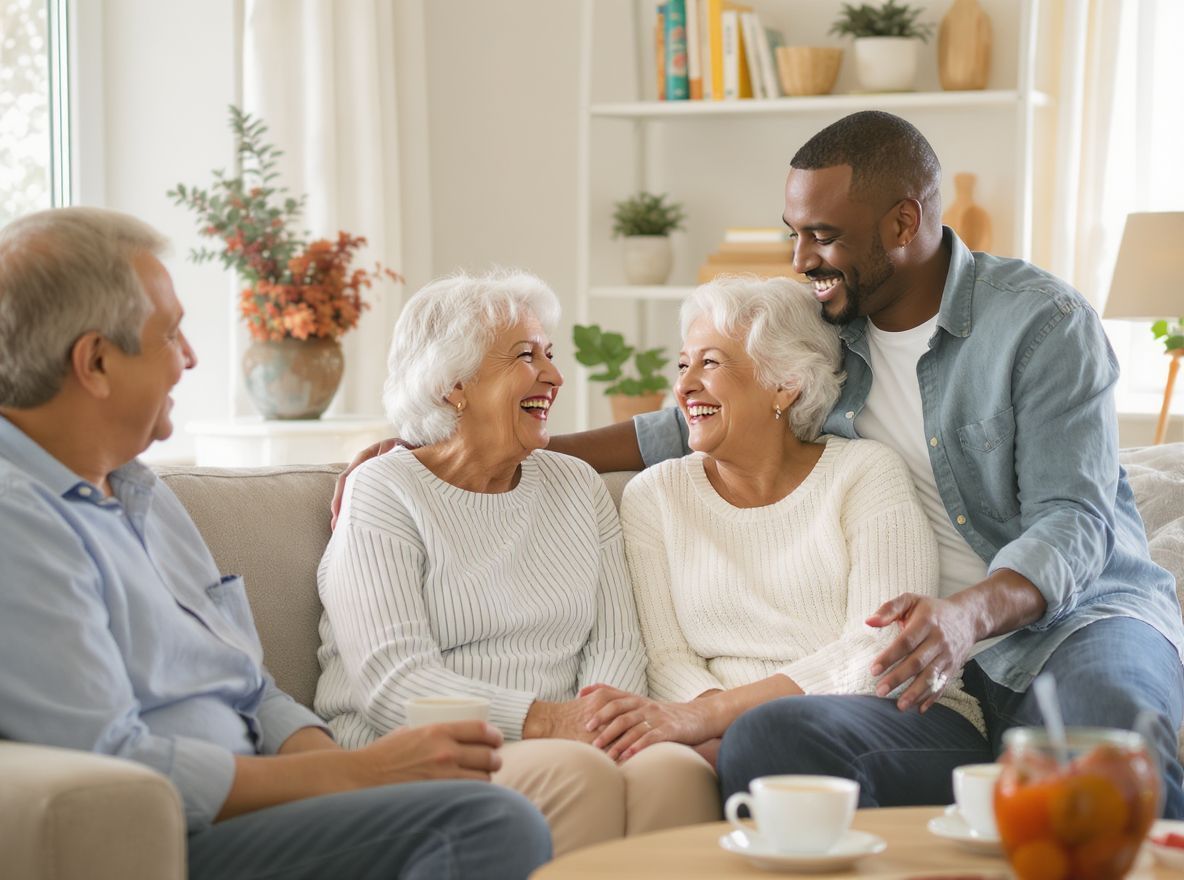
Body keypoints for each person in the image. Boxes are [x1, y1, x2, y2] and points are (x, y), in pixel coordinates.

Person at [0, 207, 552, 880]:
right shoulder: (17, 520)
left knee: (477, 799)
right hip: (169, 836)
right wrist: (357, 773)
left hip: (257, 803)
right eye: (171, 334)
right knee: (487, 820)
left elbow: (249, 688)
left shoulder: (141, 491)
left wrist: (342, 769)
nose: (192, 358)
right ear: (96, 361)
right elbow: (117, 761)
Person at [316, 268, 720, 856]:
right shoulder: (385, 491)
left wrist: (597, 725)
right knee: (576, 773)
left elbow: (616, 645)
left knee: (674, 773)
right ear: (454, 384)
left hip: (570, 741)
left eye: (549, 354)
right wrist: (552, 724)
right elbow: (395, 684)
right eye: (526, 356)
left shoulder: (578, 485)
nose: (554, 376)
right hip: (422, 751)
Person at [576, 275, 982, 770]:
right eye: (683, 365)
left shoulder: (864, 473)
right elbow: (665, 657)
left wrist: (714, 719)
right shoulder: (654, 497)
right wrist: (711, 725)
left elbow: (880, 648)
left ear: (786, 384)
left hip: (899, 714)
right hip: (732, 735)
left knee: (765, 736)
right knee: (749, 743)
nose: (683, 386)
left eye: (710, 363)